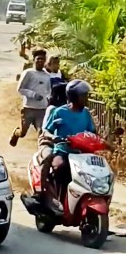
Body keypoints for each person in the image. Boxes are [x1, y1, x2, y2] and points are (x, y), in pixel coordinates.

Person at [41, 79, 96, 214]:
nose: (86, 98)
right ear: (74, 96)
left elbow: (93, 132)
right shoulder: (59, 112)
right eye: (84, 95)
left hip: (82, 155)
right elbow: (46, 130)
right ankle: (58, 202)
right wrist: (53, 137)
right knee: (61, 168)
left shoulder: (86, 113)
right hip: (63, 151)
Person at [9, 48, 51, 147]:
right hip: (28, 108)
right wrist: (33, 95)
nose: (40, 61)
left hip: (41, 109)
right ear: (34, 59)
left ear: (45, 61)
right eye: (38, 59)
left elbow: (48, 90)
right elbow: (20, 89)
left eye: (42, 59)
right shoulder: (28, 73)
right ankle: (16, 133)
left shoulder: (47, 76)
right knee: (23, 133)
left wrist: (47, 99)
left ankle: (40, 153)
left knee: (41, 132)